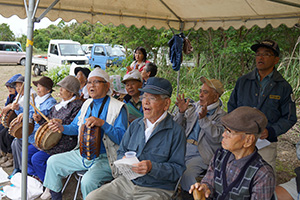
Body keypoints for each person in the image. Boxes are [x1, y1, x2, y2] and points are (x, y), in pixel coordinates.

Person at [86, 77, 186, 200]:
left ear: (166, 104)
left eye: (152, 98)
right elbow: (121, 151)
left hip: (156, 189)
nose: (146, 102)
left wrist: (152, 167)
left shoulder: (176, 131)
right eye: (144, 97)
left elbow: (177, 169)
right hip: (127, 183)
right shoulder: (135, 125)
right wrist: (123, 160)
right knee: (93, 197)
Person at [43, 68, 128, 200]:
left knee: (88, 181)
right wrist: (61, 127)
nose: (91, 85)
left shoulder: (118, 107)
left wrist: (103, 124)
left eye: (96, 82)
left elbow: (123, 138)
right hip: (83, 154)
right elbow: (75, 127)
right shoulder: (86, 104)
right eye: (89, 82)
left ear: (107, 86)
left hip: (107, 157)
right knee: (53, 162)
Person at [227, 39, 297, 170]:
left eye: (266, 54)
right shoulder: (243, 81)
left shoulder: (283, 87)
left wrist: (270, 131)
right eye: (258, 54)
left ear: (276, 60)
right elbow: (232, 107)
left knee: (265, 179)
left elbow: (289, 118)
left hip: (266, 144)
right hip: (241, 141)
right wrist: (236, 129)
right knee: (238, 177)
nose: (260, 57)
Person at [189, 106, 275, 200]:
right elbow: (209, 182)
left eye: (229, 132)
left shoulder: (263, 174)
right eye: (225, 129)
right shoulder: (220, 155)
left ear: (248, 140)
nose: (223, 135)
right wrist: (204, 188)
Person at [25, 75, 83, 199]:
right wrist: (40, 120)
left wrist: (61, 125)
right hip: (53, 139)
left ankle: (51, 187)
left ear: (72, 92)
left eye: (63, 88)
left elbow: (74, 128)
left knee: (37, 159)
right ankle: (43, 180)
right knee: (28, 152)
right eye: (60, 88)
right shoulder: (59, 104)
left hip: (66, 141)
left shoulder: (77, 106)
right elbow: (49, 122)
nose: (60, 90)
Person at [174, 76, 226, 199]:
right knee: (167, 166)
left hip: (201, 153)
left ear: (216, 96)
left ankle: (196, 197)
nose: (201, 95)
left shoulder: (222, 116)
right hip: (183, 148)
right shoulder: (193, 108)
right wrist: (181, 113)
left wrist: (204, 120)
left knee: (188, 173)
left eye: (205, 92)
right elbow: (176, 128)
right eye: (200, 91)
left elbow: (217, 137)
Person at [9, 76, 57, 179]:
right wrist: (18, 109)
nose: (38, 88)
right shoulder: (37, 99)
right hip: (32, 130)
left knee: (19, 143)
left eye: (41, 86)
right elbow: (28, 112)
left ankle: (30, 172)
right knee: (16, 142)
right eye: (38, 86)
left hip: (40, 133)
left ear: (48, 90)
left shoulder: (51, 102)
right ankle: (24, 170)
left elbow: (42, 113)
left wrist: (31, 115)